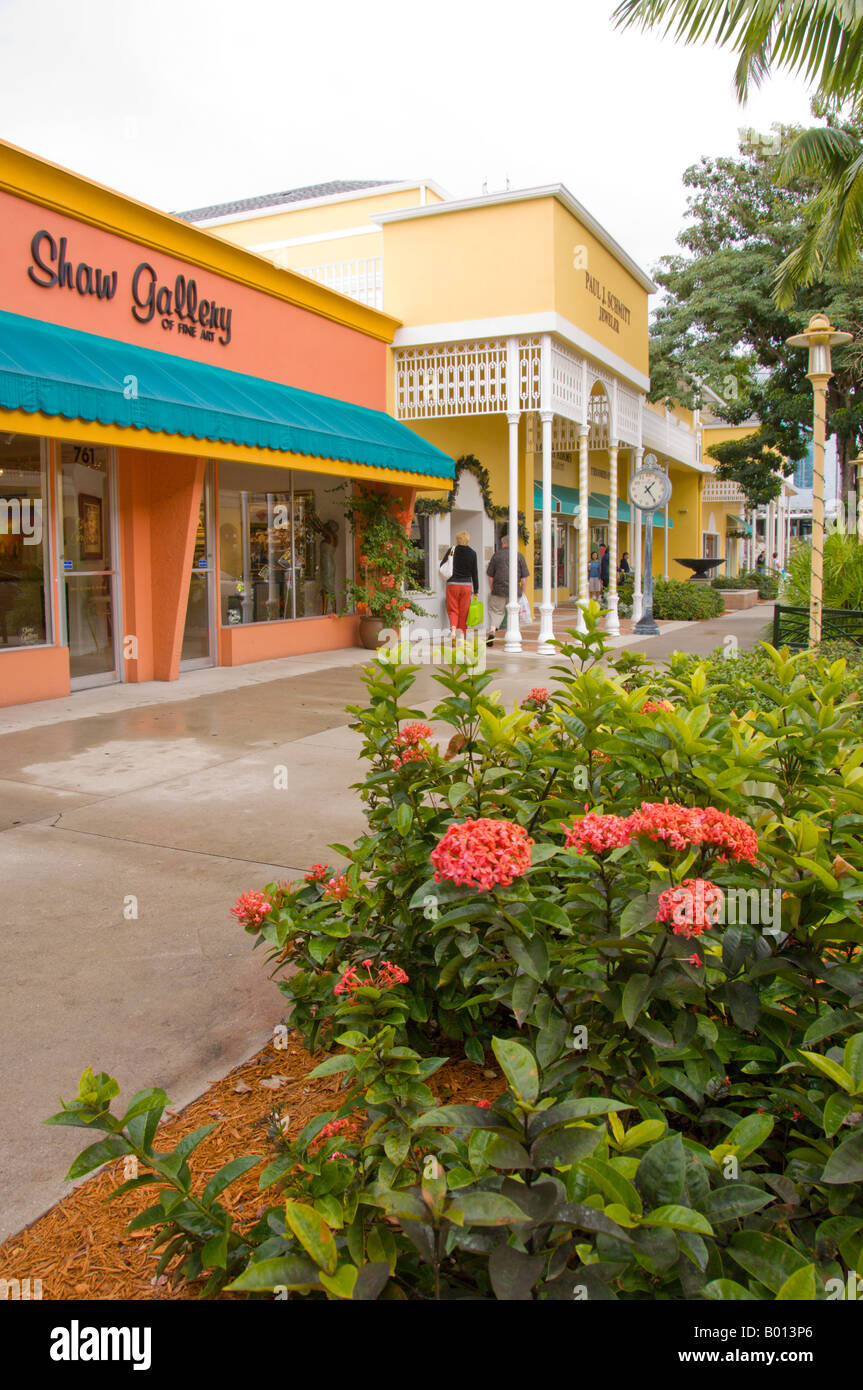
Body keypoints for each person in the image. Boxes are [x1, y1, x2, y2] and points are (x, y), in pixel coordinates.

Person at [486, 533, 529, 645]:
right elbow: (524, 579)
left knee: (496, 611)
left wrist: (492, 588)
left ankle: (492, 632)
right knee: (513, 613)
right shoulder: (519, 556)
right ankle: (513, 634)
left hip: (498, 589)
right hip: (514, 591)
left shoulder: (496, 556)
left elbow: (490, 576)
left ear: (503, 543)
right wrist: (522, 591)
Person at [444, 529, 479, 636]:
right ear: (468, 539)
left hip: (452, 584)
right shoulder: (472, 553)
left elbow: (443, 565)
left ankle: (453, 630)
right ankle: (462, 635)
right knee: (464, 611)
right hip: (466, 586)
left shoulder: (452, 550)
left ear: (457, 539)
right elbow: (475, 573)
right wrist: (476, 590)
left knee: (453, 609)